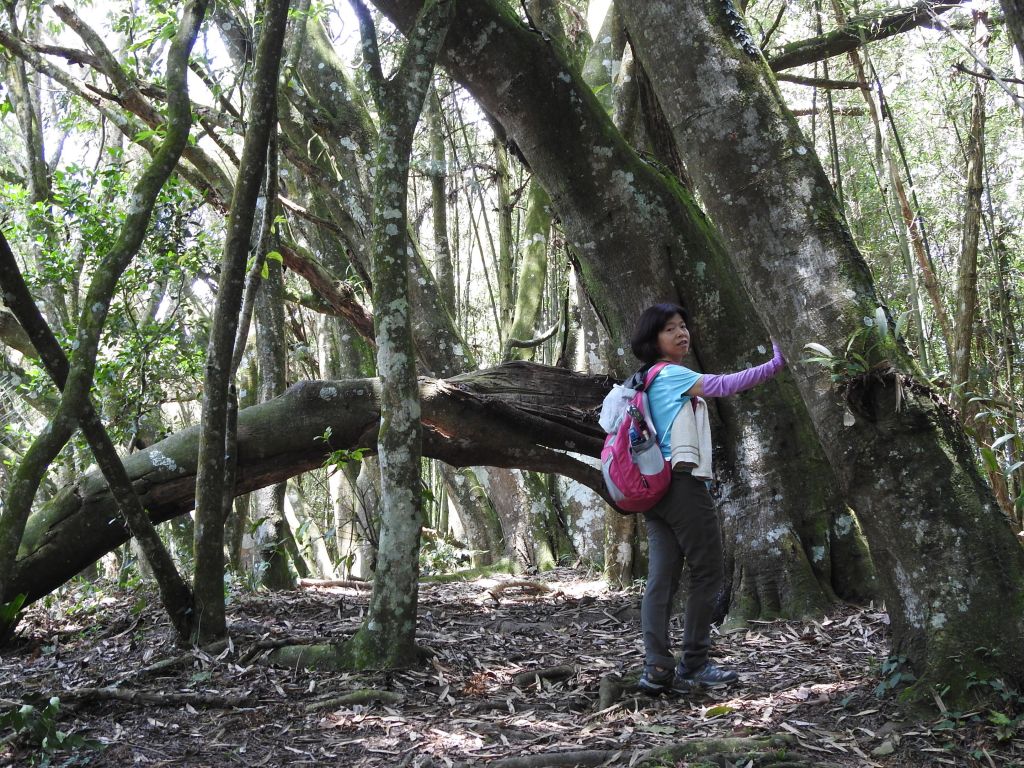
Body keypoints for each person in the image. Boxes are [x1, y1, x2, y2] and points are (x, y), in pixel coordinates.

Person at [630, 303, 785, 694]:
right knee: (709, 571)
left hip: (653, 489)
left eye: (684, 326)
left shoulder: (643, 380)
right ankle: (694, 663)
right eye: (670, 329)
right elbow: (724, 385)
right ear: (653, 340)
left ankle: (658, 669)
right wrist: (776, 363)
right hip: (681, 485)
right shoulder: (670, 375)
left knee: (661, 577)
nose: (682, 333)